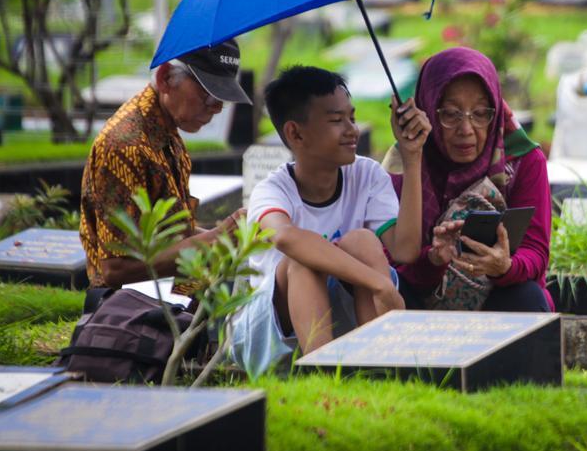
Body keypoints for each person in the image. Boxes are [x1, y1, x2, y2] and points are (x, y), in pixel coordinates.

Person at [231, 65, 430, 373]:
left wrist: (412, 155)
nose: (352, 129)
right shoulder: (271, 191)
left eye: (351, 117)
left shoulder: (366, 174)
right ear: (295, 133)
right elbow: (285, 238)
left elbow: (404, 250)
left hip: (341, 314)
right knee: (302, 261)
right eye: (337, 120)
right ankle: (323, 386)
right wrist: (379, 283)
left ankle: (383, 370)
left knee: (362, 241)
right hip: (271, 336)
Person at [386, 47, 553, 312]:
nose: (466, 130)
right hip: (423, 309)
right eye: (450, 114)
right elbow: (391, 264)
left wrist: (504, 266)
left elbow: (535, 252)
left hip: (497, 299)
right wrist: (433, 259)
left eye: (480, 113)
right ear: (429, 108)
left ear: (495, 111)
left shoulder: (523, 160)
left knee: (528, 298)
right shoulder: (405, 163)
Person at [80, 39, 251, 289]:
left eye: (221, 98)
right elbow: (115, 270)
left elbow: (174, 234)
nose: (216, 109)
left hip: (170, 292)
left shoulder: (168, 130)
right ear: (166, 78)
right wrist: (216, 239)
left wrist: (234, 241)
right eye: (207, 94)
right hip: (127, 309)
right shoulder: (125, 146)